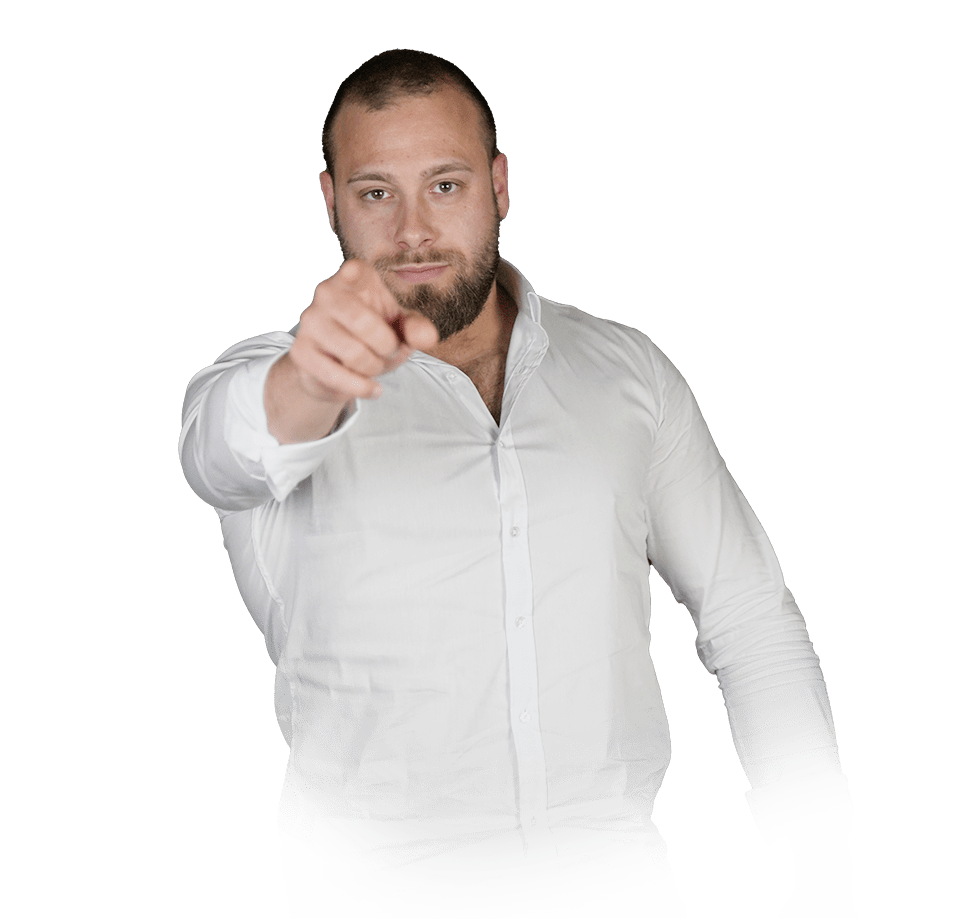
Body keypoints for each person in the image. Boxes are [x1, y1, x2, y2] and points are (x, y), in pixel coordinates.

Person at [179, 49, 856, 919]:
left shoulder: (627, 373)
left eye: (446, 185)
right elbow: (224, 453)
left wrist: (823, 871)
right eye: (376, 192)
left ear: (499, 185)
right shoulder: (270, 380)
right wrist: (313, 380)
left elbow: (747, 609)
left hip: (624, 894)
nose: (413, 231)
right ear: (331, 202)